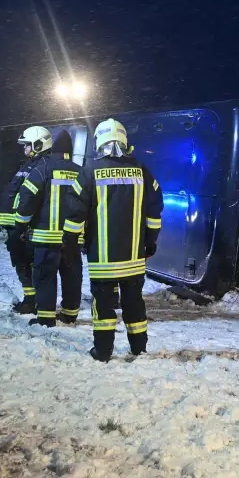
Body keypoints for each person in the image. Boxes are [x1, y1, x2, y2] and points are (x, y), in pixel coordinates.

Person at [64, 119, 163, 361]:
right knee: (134, 303)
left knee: (104, 305)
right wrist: (150, 240)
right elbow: (154, 210)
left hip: (103, 257)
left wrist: (70, 241)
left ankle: (103, 351)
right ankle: (139, 348)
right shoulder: (142, 170)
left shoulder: (89, 172)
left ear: (99, 142)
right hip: (134, 256)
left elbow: (75, 212)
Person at [13, 130, 83, 327]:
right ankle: (70, 314)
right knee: (71, 276)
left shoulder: (43, 168)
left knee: (45, 277)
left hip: (45, 238)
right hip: (72, 238)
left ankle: (45, 317)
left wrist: (21, 224)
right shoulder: (81, 171)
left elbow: (27, 198)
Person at [0, 126, 52, 314]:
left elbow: (31, 198)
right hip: (16, 225)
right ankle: (30, 298)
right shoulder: (31, 164)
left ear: (38, 144)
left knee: (26, 263)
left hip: (24, 226)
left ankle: (32, 301)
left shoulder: (41, 166)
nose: (24, 149)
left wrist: (22, 225)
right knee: (21, 262)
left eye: (27, 145)